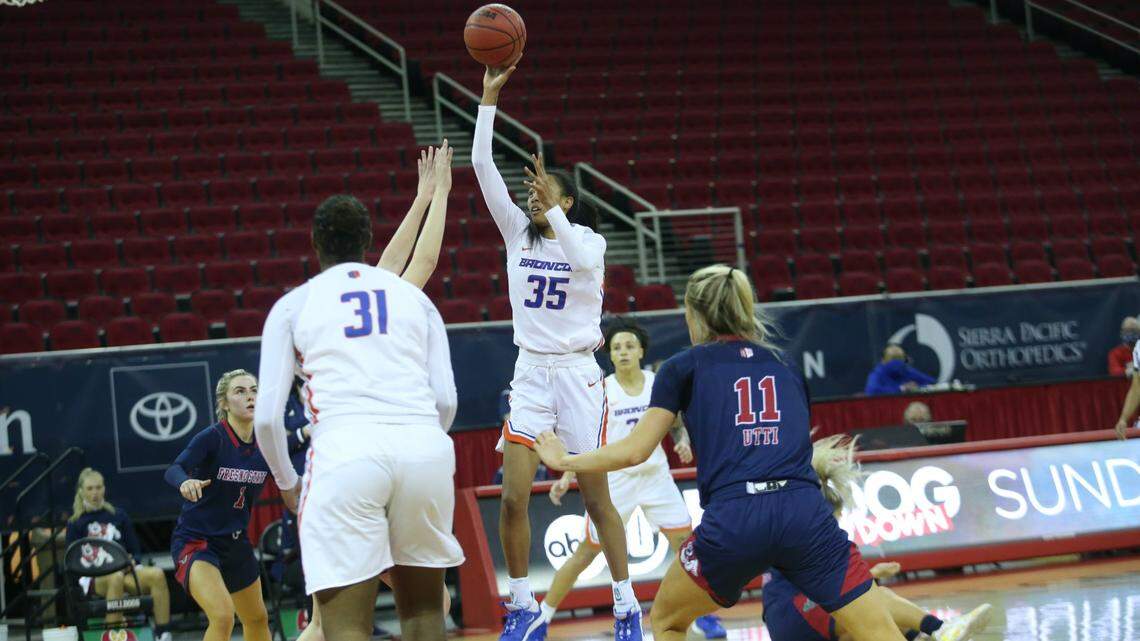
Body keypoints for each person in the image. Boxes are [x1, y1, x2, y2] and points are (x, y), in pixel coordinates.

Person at [534, 264, 910, 641]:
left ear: (693, 314)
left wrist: (565, 460)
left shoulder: (682, 367)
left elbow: (635, 451)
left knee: (666, 621)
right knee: (879, 631)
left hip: (736, 516)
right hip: (804, 512)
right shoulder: (786, 364)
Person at [474, 62, 642, 641]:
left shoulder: (588, 240)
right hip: (530, 375)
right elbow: (480, 164)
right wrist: (488, 98)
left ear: (569, 199)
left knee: (597, 501)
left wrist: (557, 209)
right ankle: (522, 608)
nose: (533, 195)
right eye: (532, 191)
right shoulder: (518, 232)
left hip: (576, 376)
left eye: (547, 191)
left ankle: (626, 606)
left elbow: (585, 260)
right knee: (514, 496)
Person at [254, 190, 462, 641]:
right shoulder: (414, 298)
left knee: (343, 625)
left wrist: (288, 484)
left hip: (346, 451)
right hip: (424, 448)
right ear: (369, 239)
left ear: (314, 242)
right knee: (427, 611)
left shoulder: (293, 305)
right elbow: (445, 400)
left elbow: (267, 420)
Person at [541, 320, 726, 639]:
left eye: (629, 346)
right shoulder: (603, 390)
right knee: (586, 552)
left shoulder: (658, 382)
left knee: (688, 548)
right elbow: (588, 439)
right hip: (616, 481)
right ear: (610, 356)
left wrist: (681, 439)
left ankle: (702, 616)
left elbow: (675, 421)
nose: (623, 352)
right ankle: (542, 617)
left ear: (641, 351)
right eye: (616, 348)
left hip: (656, 476)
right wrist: (567, 475)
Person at [761, 435, 992, 641]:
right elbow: (830, 585)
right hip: (795, 615)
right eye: (838, 516)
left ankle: (927, 634)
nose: (838, 521)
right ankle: (940, 629)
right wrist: (874, 575)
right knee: (874, 599)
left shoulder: (795, 521)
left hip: (792, 618)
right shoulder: (809, 529)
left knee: (867, 620)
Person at [165, 370, 271, 641]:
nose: (250, 396)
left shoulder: (267, 441)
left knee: (257, 618)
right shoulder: (214, 437)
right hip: (197, 540)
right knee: (223, 616)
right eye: (240, 391)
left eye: (254, 390)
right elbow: (175, 468)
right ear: (224, 403)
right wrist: (184, 483)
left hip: (235, 542)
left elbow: (296, 445)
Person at [66, 468, 172, 641]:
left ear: (104, 489)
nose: (95, 493)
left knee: (156, 574)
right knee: (115, 577)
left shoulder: (118, 515)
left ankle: (163, 634)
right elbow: (72, 561)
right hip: (95, 577)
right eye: (90, 488)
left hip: (124, 571)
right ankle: (112, 635)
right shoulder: (75, 523)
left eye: (98, 487)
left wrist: (131, 560)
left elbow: (135, 550)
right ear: (81, 491)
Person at [864, 345, 935, 396]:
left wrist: (916, 388)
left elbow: (932, 383)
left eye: (898, 359)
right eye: (892, 359)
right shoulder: (877, 373)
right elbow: (871, 391)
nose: (896, 364)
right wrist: (901, 388)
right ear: (883, 361)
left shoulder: (906, 370)